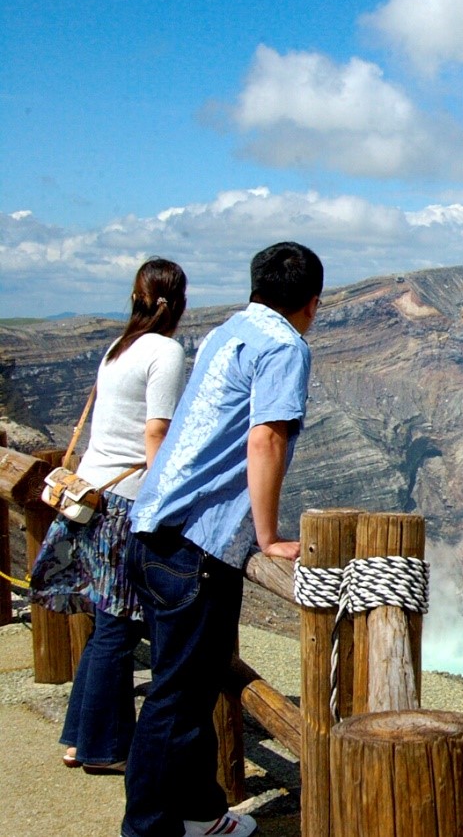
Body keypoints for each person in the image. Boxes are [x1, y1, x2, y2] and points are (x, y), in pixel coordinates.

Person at [121, 242, 322, 837]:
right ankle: (149, 829)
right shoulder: (285, 345)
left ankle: (202, 814)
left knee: (191, 686)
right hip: (198, 543)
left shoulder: (223, 332)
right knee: (178, 701)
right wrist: (267, 535)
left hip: (155, 525)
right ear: (312, 302)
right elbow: (266, 439)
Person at [30, 258, 188, 775]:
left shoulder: (117, 349)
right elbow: (155, 436)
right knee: (118, 628)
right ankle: (100, 747)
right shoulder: (165, 351)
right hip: (127, 502)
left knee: (105, 626)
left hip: (94, 495)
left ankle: (81, 738)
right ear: (178, 302)